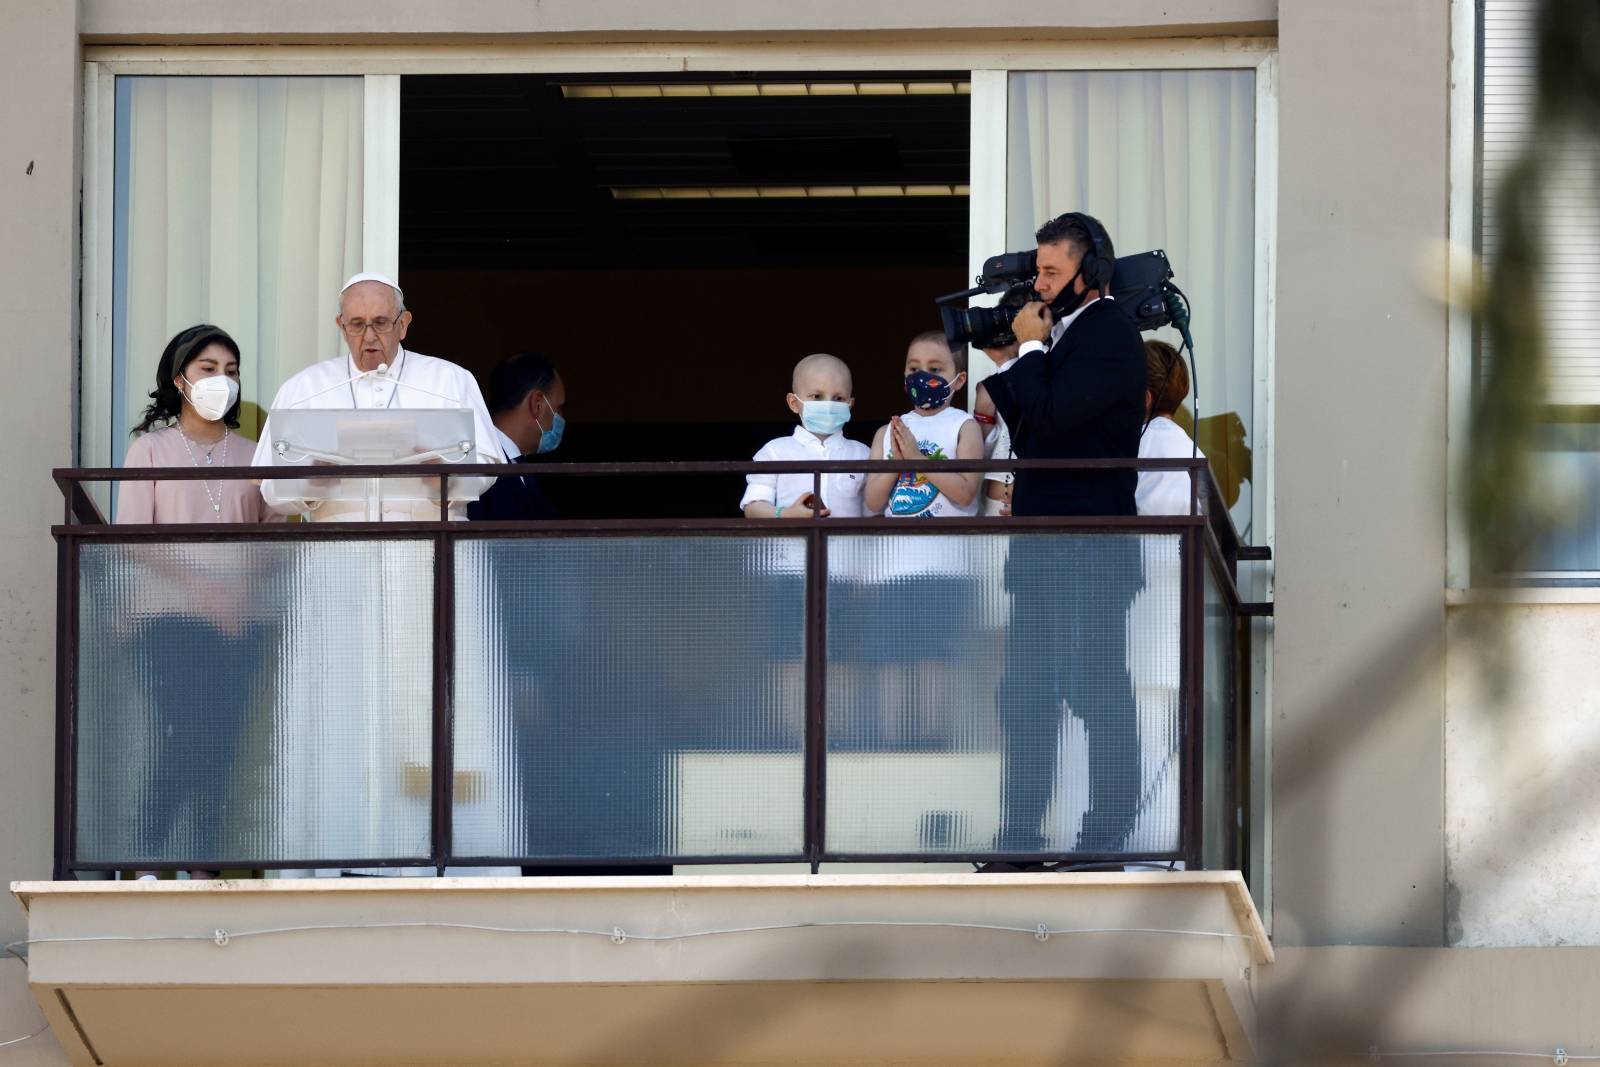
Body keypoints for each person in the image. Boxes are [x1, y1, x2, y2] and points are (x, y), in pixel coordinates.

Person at [981, 212, 1148, 858]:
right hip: (1047, 550)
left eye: (1052, 272)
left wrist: (1026, 352)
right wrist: (1008, 360)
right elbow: (1033, 433)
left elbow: (1050, 415)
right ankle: (1020, 832)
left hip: (1090, 547)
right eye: (1039, 271)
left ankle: (1106, 833)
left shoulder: (1108, 333)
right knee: (1026, 693)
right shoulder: (1060, 341)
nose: (1041, 285)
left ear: (1092, 272)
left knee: (1094, 686)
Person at [116, 324, 274, 880]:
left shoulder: (255, 454)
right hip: (166, 621)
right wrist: (203, 588)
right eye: (208, 369)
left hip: (237, 625)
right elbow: (133, 536)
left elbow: (273, 538)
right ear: (180, 378)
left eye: (231, 371)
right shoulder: (152, 448)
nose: (221, 381)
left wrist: (241, 591)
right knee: (187, 731)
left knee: (222, 743)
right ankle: (146, 857)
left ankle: (205, 862)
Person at [251, 271, 502, 521]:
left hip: (430, 548)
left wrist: (445, 477)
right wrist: (310, 482)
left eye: (380, 322)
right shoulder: (303, 388)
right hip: (337, 553)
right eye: (357, 324)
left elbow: (487, 466)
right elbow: (270, 488)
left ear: (402, 324)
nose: (369, 336)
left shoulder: (450, 380)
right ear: (341, 326)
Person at [864, 332, 984, 518]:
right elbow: (872, 503)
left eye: (935, 369)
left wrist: (916, 459)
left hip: (948, 545)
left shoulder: (965, 427)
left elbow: (966, 494)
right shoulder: (886, 431)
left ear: (959, 380)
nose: (922, 376)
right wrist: (897, 463)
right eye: (913, 369)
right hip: (896, 545)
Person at [741, 352, 870, 520]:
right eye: (817, 396)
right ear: (794, 403)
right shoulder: (774, 452)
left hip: (849, 546)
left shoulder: (863, 454)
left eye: (838, 398)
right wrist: (787, 514)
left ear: (849, 405)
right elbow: (753, 507)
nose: (828, 405)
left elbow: (874, 513)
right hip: (792, 546)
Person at [468, 351, 566, 521]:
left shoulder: (519, 466)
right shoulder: (477, 460)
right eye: (559, 409)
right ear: (537, 404)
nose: (562, 419)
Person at [1136, 339, 1204, 515]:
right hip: (1187, 543)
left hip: (1137, 542)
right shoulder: (1193, 450)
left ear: (1145, 399)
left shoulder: (1136, 444)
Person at [973, 340, 1022, 517]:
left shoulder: (1054, 370)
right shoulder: (990, 387)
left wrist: (1005, 363)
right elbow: (981, 454)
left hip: (1040, 497)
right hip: (1000, 494)